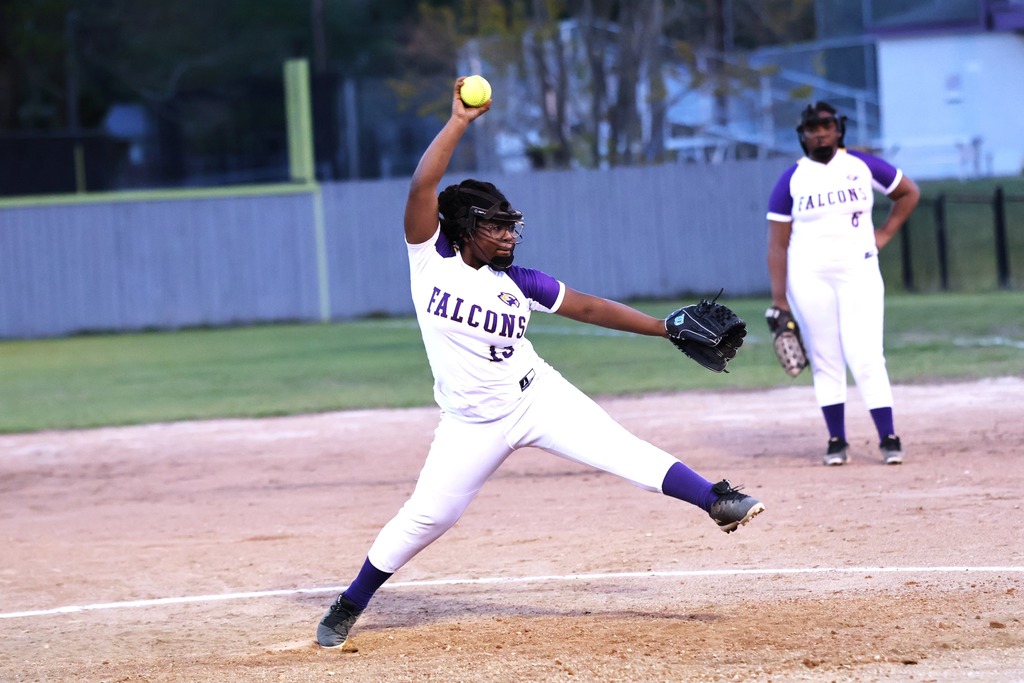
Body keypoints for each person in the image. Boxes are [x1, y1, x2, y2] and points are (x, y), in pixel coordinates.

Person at [315, 77, 766, 649]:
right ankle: (349, 603)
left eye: (510, 225)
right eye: (495, 226)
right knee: (429, 518)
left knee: (619, 447)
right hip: (470, 424)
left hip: (536, 397)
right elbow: (422, 185)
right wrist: (459, 121)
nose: (507, 235)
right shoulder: (428, 261)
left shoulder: (517, 281)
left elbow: (587, 306)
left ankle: (716, 500)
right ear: (461, 230)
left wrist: (661, 327)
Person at [766, 101, 920, 466]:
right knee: (825, 359)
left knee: (866, 356)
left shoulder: (862, 165)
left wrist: (883, 234)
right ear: (802, 135)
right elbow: (777, 243)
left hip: (859, 272)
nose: (820, 132)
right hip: (808, 276)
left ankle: (888, 437)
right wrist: (779, 300)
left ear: (839, 129)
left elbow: (908, 193)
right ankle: (836, 441)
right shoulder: (791, 178)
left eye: (826, 125)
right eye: (812, 127)